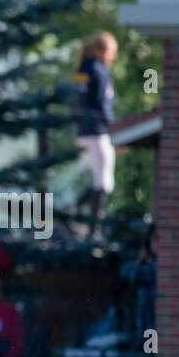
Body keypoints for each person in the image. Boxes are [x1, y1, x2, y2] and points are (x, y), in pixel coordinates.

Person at [73, 31, 117, 227]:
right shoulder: (98, 72)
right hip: (97, 132)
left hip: (83, 132)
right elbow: (102, 105)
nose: (112, 57)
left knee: (98, 181)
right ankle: (92, 227)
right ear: (100, 51)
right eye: (110, 52)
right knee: (104, 182)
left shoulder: (82, 71)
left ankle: (76, 213)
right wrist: (115, 132)